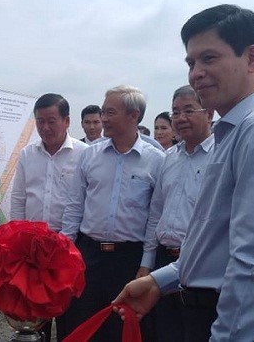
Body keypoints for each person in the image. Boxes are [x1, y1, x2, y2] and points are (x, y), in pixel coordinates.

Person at [115, 4, 254, 341]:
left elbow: (253, 259)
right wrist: (160, 281)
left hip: (245, 324)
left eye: (209, 58)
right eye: (191, 62)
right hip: (217, 313)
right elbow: (215, 239)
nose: (196, 73)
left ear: (251, 58)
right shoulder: (235, 131)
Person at [61, 85, 165, 341]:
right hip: (89, 256)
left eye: (110, 112)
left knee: (121, 328)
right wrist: (65, 250)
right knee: (80, 323)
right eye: (103, 111)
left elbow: (155, 216)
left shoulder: (156, 160)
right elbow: (75, 206)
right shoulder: (90, 156)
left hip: (128, 260)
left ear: (133, 115)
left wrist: (146, 264)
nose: (103, 118)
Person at [10, 93, 88, 340]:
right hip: (34, 249)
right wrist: (16, 240)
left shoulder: (85, 154)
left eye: (51, 121)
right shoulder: (27, 155)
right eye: (40, 121)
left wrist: (68, 239)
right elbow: (19, 198)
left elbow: (86, 202)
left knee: (69, 313)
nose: (45, 127)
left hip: (69, 246)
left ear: (67, 121)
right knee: (35, 313)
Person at [140, 85, 213, 341]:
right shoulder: (169, 158)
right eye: (175, 112)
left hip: (200, 266)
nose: (180, 118)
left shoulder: (222, 157)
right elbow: (155, 213)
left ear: (209, 113)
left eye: (189, 110)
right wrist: (146, 264)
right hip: (162, 261)